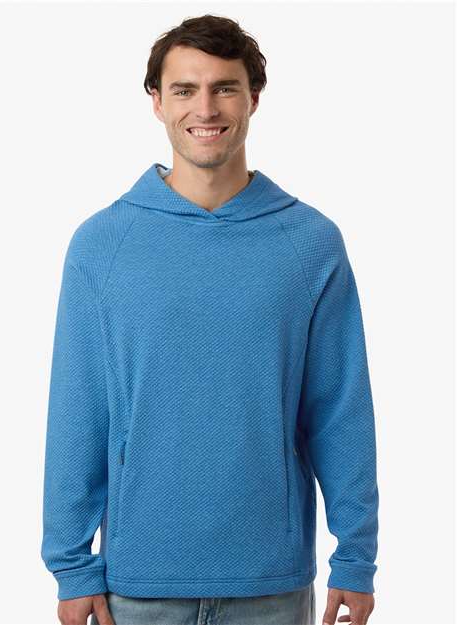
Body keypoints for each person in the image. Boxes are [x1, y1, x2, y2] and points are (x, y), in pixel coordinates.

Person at [40, 13, 379, 625]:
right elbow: (78, 413)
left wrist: (356, 559)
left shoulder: (311, 243)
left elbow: (339, 411)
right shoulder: (101, 244)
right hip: (136, 585)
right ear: (156, 101)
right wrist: (71, 565)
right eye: (184, 89)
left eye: (225, 87)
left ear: (254, 98)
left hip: (272, 584)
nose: (206, 108)